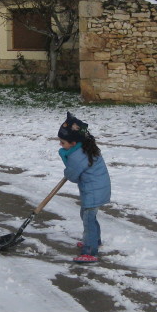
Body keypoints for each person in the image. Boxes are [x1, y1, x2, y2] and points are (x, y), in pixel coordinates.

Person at [57, 112, 111, 263]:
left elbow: (73, 176)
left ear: (73, 143)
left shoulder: (77, 156)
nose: (60, 145)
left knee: (88, 220)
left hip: (93, 192)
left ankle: (90, 251)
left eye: (63, 142)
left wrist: (67, 167)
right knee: (88, 217)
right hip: (98, 189)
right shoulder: (86, 148)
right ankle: (95, 240)